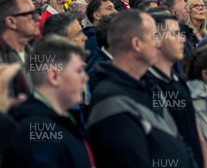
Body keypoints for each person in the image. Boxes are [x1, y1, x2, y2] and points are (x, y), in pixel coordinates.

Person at [88, 10, 196, 167]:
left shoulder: (148, 85)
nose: (159, 44)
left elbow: (177, 141)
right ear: (136, 44)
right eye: (154, 37)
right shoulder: (111, 100)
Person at [3, 36, 92, 168]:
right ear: (54, 77)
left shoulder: (59, 119)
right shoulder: (38, 129)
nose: (86, 78)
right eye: (79, 71)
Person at [146, 12, 207, 167]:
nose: (182, 39)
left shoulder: (178, 79)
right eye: (174, 34)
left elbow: (196, 129)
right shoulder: (149, 86)